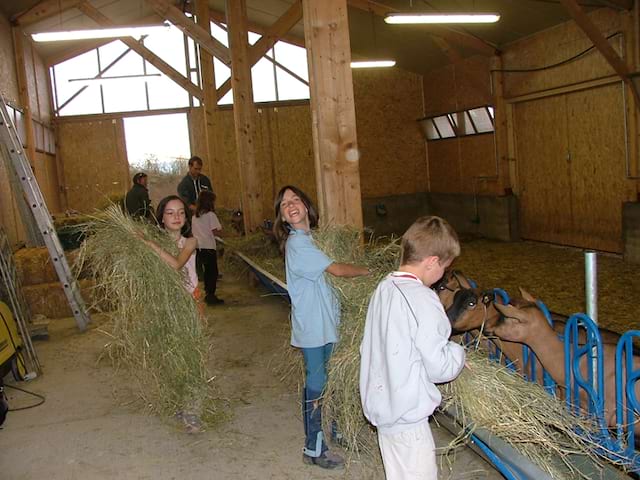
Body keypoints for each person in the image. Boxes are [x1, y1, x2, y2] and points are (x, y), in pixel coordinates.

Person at [359, 215, 466, 480]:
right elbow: (440, 368)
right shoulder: (423, 300)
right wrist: (458, 353)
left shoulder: (383, 288)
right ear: (432, 262)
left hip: (383, 407)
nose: (443, 275)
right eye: (445, 267)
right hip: (408, 415)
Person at [273, 185, 369, 470]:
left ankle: (337, 429)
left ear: (306, 206)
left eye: (295, 200)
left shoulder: (313, 239)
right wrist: (369, 271)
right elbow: (338, 270)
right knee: (317, 381)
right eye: (284, 205)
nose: (291, 205)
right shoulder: (297, 244)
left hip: (328, 321)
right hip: (313, 325)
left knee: (333, 376)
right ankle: (313, 447)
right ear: (282, 217)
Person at [143, 195, 199, 299]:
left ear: (186, 217)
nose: (177, 216)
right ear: (162, 218)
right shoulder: (157, 243)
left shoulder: (190, 242)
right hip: (165, 298)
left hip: (189, 297)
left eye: (181, 212)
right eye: (170, 213)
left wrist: (150, 243)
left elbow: (177, 265)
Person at [191, 190, 224, 306]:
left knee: (206, 272)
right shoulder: (211, 215)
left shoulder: (195, 216)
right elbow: (215, 231)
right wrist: (224, 233)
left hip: (199, 247)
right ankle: (211, 295)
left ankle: (207, 293)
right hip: (209, 247)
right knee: (213, 272)